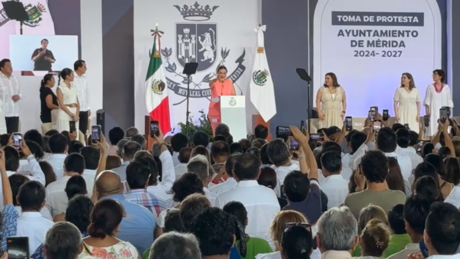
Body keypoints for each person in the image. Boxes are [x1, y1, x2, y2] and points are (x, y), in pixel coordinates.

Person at [424, 69, 453, 137]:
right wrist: (427, 110)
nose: (433, 76)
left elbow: (449, 100)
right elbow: (427, 99)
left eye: (435, 74)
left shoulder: (446, 87)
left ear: (440, 76)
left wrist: (449, 112)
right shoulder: (430, 87)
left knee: (444, 130)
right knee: (433, 128)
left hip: (443, 111)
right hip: (433, 111)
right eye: (433, 74)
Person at [208, 66, 236, 133]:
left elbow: (234, 95)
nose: (222, 75)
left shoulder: (229, 82)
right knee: (215, 129)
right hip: (214, 110)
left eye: (224, 73)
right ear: (217, 73)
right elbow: (209, 84)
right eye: (220, 73)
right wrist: (214, 79)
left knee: (226, 130)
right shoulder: (214, 82)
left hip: (226, 110)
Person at [56, 68, 80, 140]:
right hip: (65, 114)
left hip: (74, 114)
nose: (73, 76)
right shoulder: (60, 88)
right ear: (67, 76)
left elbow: (77, 102)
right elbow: (61, 104)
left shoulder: (73, 87)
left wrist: (77, 114)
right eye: (72, 74)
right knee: (65, 135)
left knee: (75, 135)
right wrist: (72, 115)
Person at [0, 59, 22, 133]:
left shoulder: (15, 79)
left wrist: (18, 96)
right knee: (3, 137)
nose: (10, 67)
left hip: (14, 112)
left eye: (11, 66)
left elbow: (21, 92)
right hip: (3, 113)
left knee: (15, 136)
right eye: (8, 66)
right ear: (2, 68)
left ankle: (15, 145)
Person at [73, 60, 90, 136]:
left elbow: (87, 93)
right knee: (74, 131)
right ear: (79, 68)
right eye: (84, 67)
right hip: (75, 109)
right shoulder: (71, 78)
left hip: (84, 109)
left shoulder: (84, 78)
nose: (86, 68)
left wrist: (88, 107)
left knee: (83, 131)